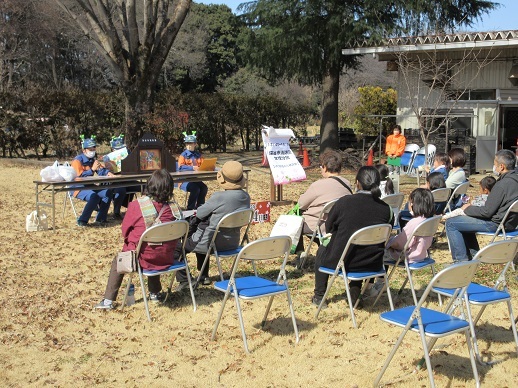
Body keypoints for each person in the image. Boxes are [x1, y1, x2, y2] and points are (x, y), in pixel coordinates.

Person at [95, 169, 178, 309]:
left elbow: (125, 231)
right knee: (156, 245)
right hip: (167, 257)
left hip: (141, 258)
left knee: (121, 259)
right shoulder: (174, 209)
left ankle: (108, 301)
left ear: (149, 185)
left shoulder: (136, 206)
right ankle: (155, 293)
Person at [312, 166, 393, 308]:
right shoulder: (386, 209)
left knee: (322, 250)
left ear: (357, 183)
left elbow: (329, 226)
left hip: (343, 261)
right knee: (362, 247)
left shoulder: (344, 202)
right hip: (372, 262)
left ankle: (319, 296)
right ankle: (354, 296)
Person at [176, 161, 251, 286]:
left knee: (179, 247)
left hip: (211, 242)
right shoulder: (245, 197)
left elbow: (199, 213)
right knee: (202, 230)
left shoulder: (219, 197)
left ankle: (185, 280)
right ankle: (203, 275)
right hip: (232, 242)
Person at [445, 149, 518, 262]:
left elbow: (487, 212)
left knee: (451, 223)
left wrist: (468, 208)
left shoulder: (502, 185)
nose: (494, 167)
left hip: (496, 224)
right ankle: (474, 256)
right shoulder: (515, 180)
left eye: (495, 164)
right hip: (511, 223)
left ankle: (460, 261)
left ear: (502, 167)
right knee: (463, 221)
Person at [294, 150, 353, 254]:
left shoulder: (318, 185)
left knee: (294, 224)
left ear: (325, 167)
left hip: (318, 224)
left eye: (321, 166)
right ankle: (323, 249)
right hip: (337, 224)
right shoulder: (347, 184)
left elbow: (301, 204)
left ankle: (300, 253)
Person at [71, 135, 115, 226]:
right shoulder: (77, 161)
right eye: (90, 150)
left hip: (90, 185)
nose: (92, 151)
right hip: (77, 187)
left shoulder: (92, 160)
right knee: (94, 196)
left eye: (93, 149)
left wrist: (107, 173)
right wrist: (92, 170)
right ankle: (82, 221)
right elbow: (78, 177)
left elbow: (101, 169)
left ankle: (101, 218)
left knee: (108, 192)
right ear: (84, 150)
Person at [177, 132, 208, 210]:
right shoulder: (183, 155)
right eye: (187, 144)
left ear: (195, 144)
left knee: (204, 188)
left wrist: (207, 166)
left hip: (196, 179)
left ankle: (200, 207)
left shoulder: (198, 155)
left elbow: (203, 164)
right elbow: (180, 167)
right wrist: (192, 168)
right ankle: (190, 208)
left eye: (191, 143)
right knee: (195, 189)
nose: (189, 145)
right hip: (184, 180)